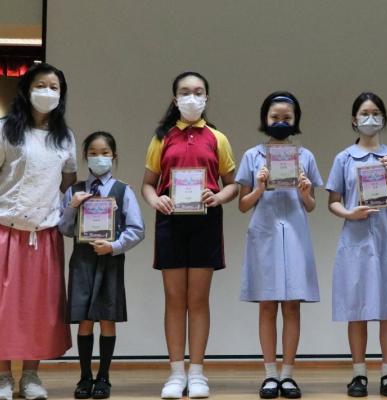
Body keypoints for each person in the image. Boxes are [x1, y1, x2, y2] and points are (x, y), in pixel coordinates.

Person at [141, 71, 238, 399]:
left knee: (197, 300)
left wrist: (218, 196)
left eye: (198, 92)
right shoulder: (162, 138)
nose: (191, 97)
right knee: (174, 299)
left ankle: (197, 372)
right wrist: (156, 200)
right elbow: (147, 185)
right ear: (175, 99)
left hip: (205, 222)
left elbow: (233, 185)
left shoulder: (217, 138)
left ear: (206, 98)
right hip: (170, 222)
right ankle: (175, 372)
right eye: (185, 92)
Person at [326, 92, 387, 398]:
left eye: (376, 113)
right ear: (354, 120)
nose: (370, 118)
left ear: (384, 119)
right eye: (364, 113)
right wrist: (349, 213)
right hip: (356, 238)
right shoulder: (343, 158)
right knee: (357, 308)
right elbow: (333, 202)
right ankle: (359, 374)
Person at [236, 91, 322, 399]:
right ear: (265, 119)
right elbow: (242, 205)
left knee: (292, 305)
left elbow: (311, 206)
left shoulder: (305, 156)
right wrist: (259, 188)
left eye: (287, 117)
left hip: (295, 234)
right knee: (267, 305)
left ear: (296, 120)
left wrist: (305, 191)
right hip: (265, 234)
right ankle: (270, 374)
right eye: (275, 117)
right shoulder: (252, 156)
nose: (281, 122)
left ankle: (288, 375)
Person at [0, 63, 76, 400]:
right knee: (4, 307)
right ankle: (3, 376)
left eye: (54, 87)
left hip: (45, 232)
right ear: (27, 89)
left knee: (38, 307)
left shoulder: (65, 137)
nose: (47, 92)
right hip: (6, 228)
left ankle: (31, 375)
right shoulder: (6, 130)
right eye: (41, 85)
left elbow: (68, 180)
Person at [59, 131, 144, 399]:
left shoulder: (123, 190)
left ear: (114, 156)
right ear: (85, 157)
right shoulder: (74, 190)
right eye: (93, 153)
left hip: (110, 260)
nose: (99, 158)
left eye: (105, 153)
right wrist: (72, 207)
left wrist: (114, 246)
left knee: (107, 318)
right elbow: (64, 228)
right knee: (84, 320)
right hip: (82, 260)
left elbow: (137, 229)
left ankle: (104, 378)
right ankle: (84, 378)